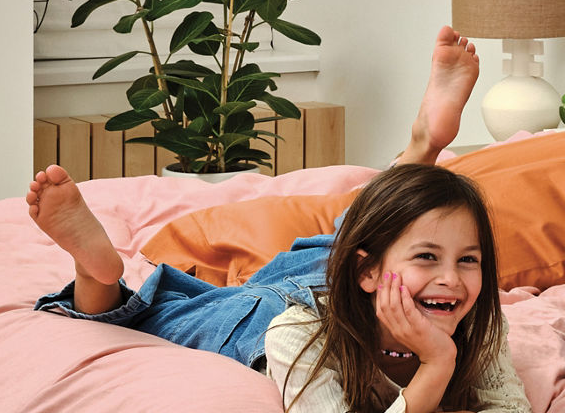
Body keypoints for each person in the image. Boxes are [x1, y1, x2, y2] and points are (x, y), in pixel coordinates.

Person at [27, 27, 531, 413]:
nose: (453, 277)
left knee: (363, 233)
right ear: (369, 274)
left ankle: (424, 143)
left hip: (342, 274)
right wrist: (436, 368)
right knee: (161, 317)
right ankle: (97, 272)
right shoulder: (298, 335)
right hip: (276, 312)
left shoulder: (480, 327)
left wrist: (439, 348)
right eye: (430, 257)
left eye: (470, 260)